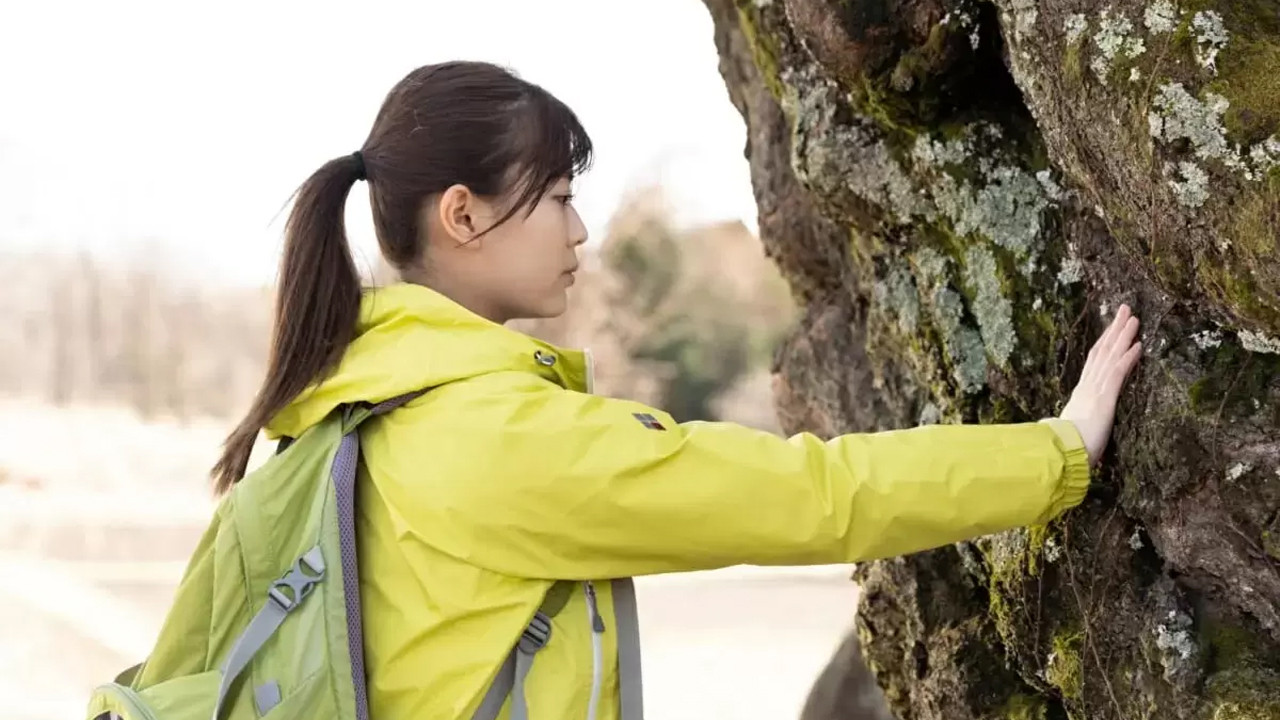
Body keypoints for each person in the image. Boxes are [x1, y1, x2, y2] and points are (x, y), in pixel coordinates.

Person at [211, 61, 1143, 720]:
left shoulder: (346, 413)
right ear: (463, 214)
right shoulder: (498, 439)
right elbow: (813, 496)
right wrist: (1056, 453)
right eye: (557, 198)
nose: (580, 230)